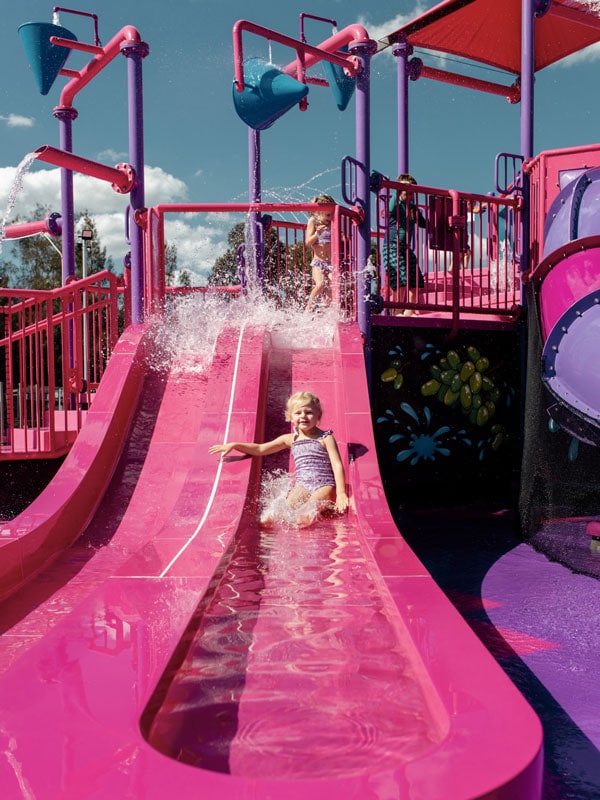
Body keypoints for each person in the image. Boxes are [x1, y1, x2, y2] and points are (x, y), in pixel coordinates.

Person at [208, 391, 349, 526]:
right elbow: (260, 449)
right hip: (302, 486)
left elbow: (337, 465)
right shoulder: (289, 439)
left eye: (309, 412)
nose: (303, 416)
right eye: (298, 413)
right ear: (291, 417)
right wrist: (235, 445)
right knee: (279, 513)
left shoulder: (325, 437)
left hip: (324, 486)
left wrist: (341, 493)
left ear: (318, 415)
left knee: (305, 515)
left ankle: (311, 517)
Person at [383, 174, 427, 316]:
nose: (409, 196)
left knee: (415, 280)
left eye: (411, 193)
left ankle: (408, 311)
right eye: (405, 192)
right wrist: (397, 189)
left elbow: (423, 223)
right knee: (401, 279)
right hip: (392, 247)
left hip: (406, 249)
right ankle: (396, 311)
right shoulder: (395, 204)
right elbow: (389, 211)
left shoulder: (413, 209)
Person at [304, 194, 335, 313]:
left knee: (334, 285)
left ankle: (326, 310)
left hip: (331, 262)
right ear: (319, 212)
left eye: (331, 214)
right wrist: (317, 234)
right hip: (318, 262)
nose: (330, 217)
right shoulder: (314, 221)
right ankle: (308, 307)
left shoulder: (333, 222)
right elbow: (308, 242)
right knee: (321, 284)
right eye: (327, 215)